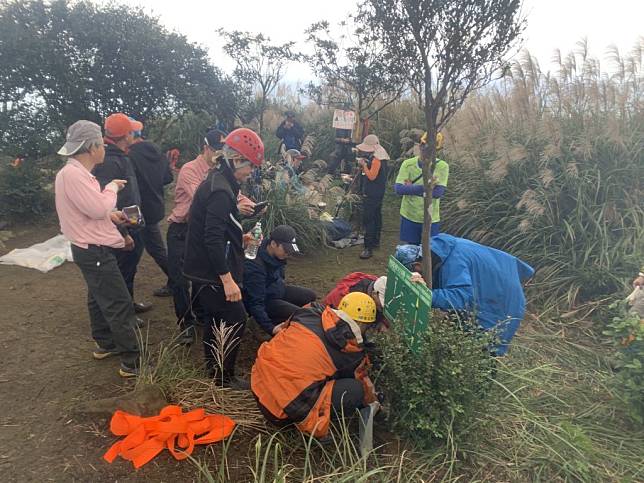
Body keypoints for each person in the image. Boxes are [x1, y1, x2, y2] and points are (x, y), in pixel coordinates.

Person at [54, 120, 140, 377]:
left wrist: (111, 216)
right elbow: (97, 208)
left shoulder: (75, 174)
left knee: (97, 296)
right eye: (101, 144)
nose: (104, 147)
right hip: (94, 249)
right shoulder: (73, 174)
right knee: (119, 302)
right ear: (92, 147)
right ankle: (132, 361)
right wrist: (112, 188)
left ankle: (105, 343)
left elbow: (90, 209)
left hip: (87, 246)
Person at [183, 127, 264, 389]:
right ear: (236, 159)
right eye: (249, 165)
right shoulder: (220, 191)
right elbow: (212, 238)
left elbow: (219, 228)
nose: (251, 171)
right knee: (236, 318)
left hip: (203, 267)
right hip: (210, 270)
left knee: (215, 319)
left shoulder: (220, 181)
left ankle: (215, 371)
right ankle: (223, 378)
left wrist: (240, 237)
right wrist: (227, 280)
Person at [251, 292, 379, 439]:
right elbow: (362, 381)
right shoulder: (351, 352)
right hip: (281, 413)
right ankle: (309, 430)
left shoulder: (309, 312)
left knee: (314, 369)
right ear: (363, 324)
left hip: (258, 385)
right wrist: (373, 401)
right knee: (355, 390)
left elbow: (283, 329)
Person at [394, 234, 535, 355]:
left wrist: (425, 295)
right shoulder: (441, 251)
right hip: (487, 288)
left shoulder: (454, 262)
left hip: (501, 302)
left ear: (417, 265)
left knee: (481, 352)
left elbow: (460, 297)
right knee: (453, 335)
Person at [166, 129, 226, 345]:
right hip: (181, 230)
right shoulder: (190, 170)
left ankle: (200, 315)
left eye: (223, 149)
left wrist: (248, 204)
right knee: (180, 281)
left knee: (201, 277)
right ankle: (185, 324)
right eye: (217, 149)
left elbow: (232, 193)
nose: (220, 153)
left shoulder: (220, 171)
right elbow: (203, 198)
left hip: (199, 230)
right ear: (206, 148)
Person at [93, 113, 152, 315]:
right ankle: (124, 315)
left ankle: (129, 304)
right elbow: (104, 203)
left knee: (128, 270)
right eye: (132, 131)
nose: (135, 135)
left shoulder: (119, 156)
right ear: (126, 135)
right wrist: (123, 233)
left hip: (131, 222)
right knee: (121, 273)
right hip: (121, 227)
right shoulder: (109, 162)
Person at [242, 225, 317, 336]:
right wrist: (270, 328)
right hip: (264, 300)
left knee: (310, 296)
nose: (288, 253)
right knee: (299, 315)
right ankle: (263, 324)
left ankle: (280, 317)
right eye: (286, 249)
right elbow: (255, 302)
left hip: (276, 290)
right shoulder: (255, 265)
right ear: (273, 244)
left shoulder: (277, 255)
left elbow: (280, 277)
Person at [128, 124, 174, 297]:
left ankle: (177, 281)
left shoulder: (130, 156)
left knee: (133, 254)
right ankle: (176, 281)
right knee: (156, 249)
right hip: (154, 207)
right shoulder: (157, 152)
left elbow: (130, 187)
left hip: (136, 210)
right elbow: (168, 177)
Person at [394, 132, 449, 243]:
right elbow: (399, 189)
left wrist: (411, 189)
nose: (426, 151)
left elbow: (438, 193)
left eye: (431, 150)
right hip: (409, 215)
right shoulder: (408, 164)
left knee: (429, 251)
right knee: (409, 250)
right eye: (423, 147)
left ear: (438, 150)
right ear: (420, 145)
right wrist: (427, 188)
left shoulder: (442, 166)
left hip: (430, 218)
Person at [355, 134, 388, 259]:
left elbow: (372, 176)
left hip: (372, 193)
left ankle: (368, 247)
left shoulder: (376, 159)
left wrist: (364, 165)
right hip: (379, 192)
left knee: (368, 219)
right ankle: (375, 241)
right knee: (377, 216)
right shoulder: (382, 156)